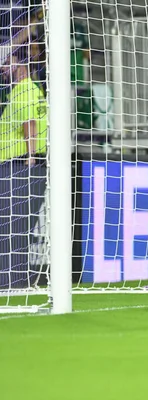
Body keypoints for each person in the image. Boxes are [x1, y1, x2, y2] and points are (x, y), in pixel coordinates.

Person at [0, 46, 47, 289]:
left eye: (6, 62)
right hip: (21, 166)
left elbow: (30, 125)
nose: (2, 69)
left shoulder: (25, 92)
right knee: (16, 229)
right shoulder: (30, 90)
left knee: (11, 229)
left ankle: (11, 282)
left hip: (18, 167)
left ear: (20, 64)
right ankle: (13, 281)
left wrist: (29, 158)